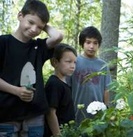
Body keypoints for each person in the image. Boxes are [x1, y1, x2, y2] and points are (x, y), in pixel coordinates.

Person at [0, 0, 63, 136]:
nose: (34, 29)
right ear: (20, 16)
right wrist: (16, 91)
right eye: (31, 22)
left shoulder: (39, 47)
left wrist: (43, 24)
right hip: (6, 115)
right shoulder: (3, 43)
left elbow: (58, 37)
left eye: (39, 27)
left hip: (34, 115)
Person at [69, 26, 112, 124]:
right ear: (82, 43)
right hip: (77, 111)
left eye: (95, 43)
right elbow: (68, 87)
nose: (91, 46)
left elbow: (106, 89)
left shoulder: (103, 65)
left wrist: (106, 111)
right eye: (88, 42)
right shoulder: (74, 62)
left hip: (97, 114)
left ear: (99, 45)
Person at [44, 44, 77, 137]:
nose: (72, 66)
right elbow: (50, 113)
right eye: (68, 62)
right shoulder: (54, 84)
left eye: (75, 62)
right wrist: (57, 135)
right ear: (55, 62)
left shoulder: (64, 83)